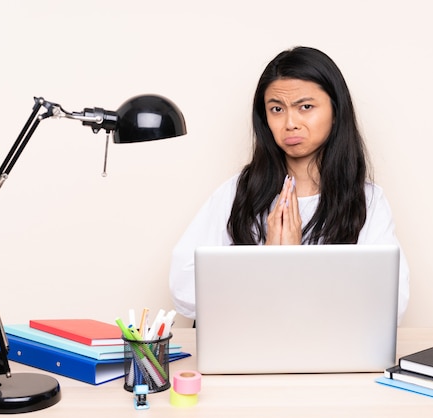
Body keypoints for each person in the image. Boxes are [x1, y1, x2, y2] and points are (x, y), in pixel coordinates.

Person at [169, 46, 409, 323]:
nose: (290, 123)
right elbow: (183, 285)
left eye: (305, 107)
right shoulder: (238, 192)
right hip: (249, 347)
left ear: (335, 109)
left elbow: (390, 303)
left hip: (330, 352)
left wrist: (292, 266)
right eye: (276, 109)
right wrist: (268, 263)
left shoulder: (367, 200)